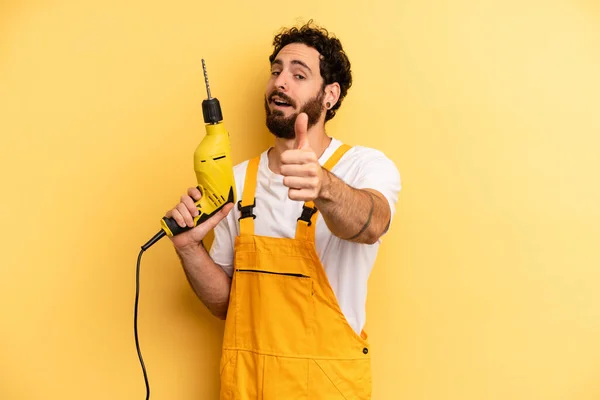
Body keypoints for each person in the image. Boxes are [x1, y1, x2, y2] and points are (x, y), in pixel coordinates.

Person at [165, 20, 401, 400]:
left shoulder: (362, 167)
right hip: (247, 387)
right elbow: (228, 304)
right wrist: (189, 248)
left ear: (330, 95)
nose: (280, 82)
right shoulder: (237, 181)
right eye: (276, 71)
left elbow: (371, 223)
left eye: (298, 74)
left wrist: (323, 185)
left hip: (326, 389)